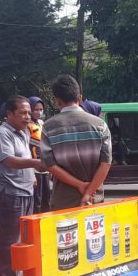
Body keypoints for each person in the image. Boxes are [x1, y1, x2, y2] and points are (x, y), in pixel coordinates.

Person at [0, 95, 44, 276]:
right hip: (10, 194)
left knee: (21, 237)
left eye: (29, 113)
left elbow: (25, 156)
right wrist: (35, 165)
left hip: (25, 190)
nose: (27, 117)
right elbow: (9, 160)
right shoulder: (2, 133)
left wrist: (31, 176)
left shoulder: (23, 132)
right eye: (22, 113)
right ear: (9, 113)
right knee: (7, 239)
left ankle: (14, 272)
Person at [41, 75, 112, 210]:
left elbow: (49, 165)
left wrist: (79, 184)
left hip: (63, 201)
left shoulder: (48, 127)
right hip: (94, 199)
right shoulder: (100, 125)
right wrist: (89, 192)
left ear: (57, 101)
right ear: (80, 98)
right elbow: (106, 163)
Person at [28, 96, 51, 213]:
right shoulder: (27, 126)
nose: (38, 112)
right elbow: (27, 149)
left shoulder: (42, 124)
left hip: (45, 167)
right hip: (34, 168)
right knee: (37, 201)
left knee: (46, 199)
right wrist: (31, 174)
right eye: (36, 109)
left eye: (41, 109)